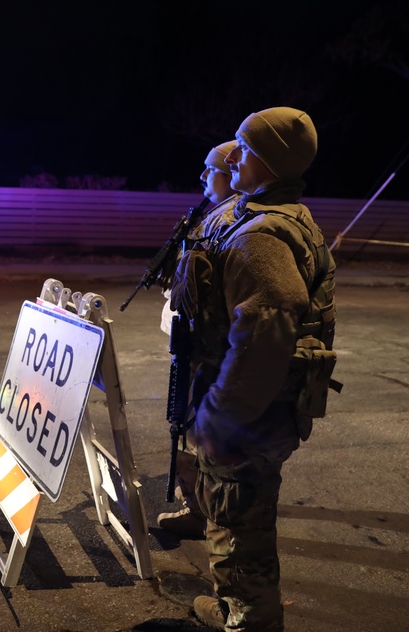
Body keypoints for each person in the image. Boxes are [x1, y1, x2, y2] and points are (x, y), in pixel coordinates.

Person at [168, 106, 338, 630]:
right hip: (259, 407)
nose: (233, 155)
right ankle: (233, 606)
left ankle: (251, 621)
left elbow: (264, 334)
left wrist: (221, 419)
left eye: (244, 147)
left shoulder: (259, 236)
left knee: (239, 526)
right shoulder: (262, 213)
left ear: (269, 160)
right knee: (234, 515)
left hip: (250, 413)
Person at [157, 139, 240, 540]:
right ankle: (198, 507)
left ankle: (206, 514)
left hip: (211, 355)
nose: (204, 176)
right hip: (194, 348)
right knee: (187, 429)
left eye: (212, 169)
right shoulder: (212, 216)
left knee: (199, 435)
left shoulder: (234, 222)